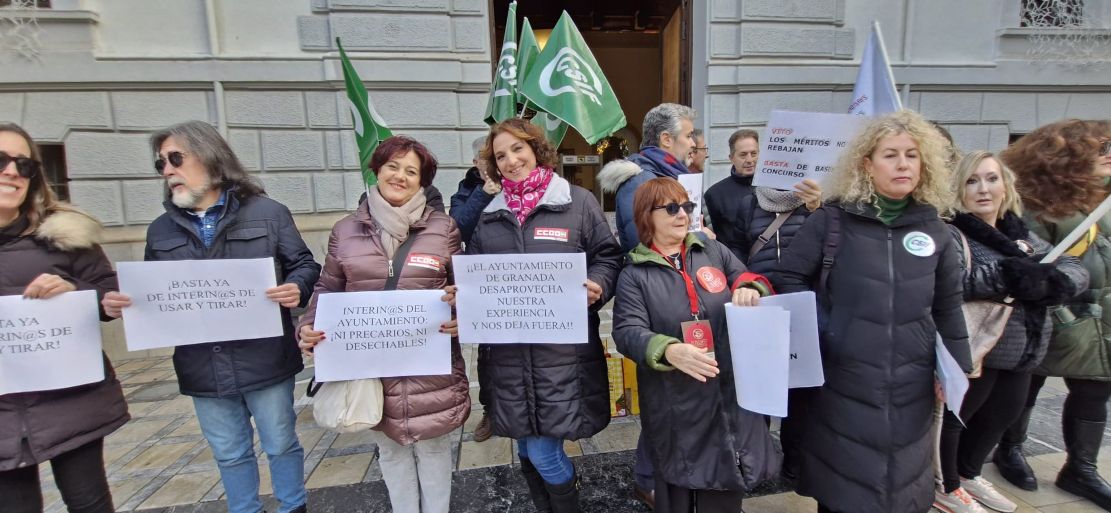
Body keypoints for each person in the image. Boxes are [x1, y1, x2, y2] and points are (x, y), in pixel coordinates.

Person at [101, 120, 320, 513]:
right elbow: (156, 294)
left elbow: (304, 264)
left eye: (175, 159)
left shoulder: (269, 213)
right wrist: (128, 305)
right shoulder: (160, 231)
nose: (167, 170)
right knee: (230, 452)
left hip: (265, 359)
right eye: (161, 164)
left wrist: (297, 287)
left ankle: (293, 507)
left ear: (211, 156)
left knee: (281, 442)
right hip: (201, 365)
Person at [769, 110, 972, 513]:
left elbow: (948, 304)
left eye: (912, 155)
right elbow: (787, 278)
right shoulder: (833, 220)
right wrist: (828, 331)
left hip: (912, 381)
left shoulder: (934, 230)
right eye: (891, 154)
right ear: (866, 164)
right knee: (844, 486)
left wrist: (955, 368)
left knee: (903, 485)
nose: (902, 164)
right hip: (843, 379)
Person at [297, 136, 469, 513]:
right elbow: (328, 287)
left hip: (430, 367)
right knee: (390, 452)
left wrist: (462, 313)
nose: (401, 176)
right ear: (376, 170)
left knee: (435, 451)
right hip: (371, 366)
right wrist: (308, 327)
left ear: (423, 181)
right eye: (393, 167)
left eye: (412, 171)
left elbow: (465, 287)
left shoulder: (443, 228)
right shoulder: (345, 230)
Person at [469, 118, 623, 512]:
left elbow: (607, 255)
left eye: (517, 149)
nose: (510, 160)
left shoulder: (577, 201)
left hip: (561, 356)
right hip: (507, 357)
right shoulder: (489, 214)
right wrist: (463, 294)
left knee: (542, 452)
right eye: (500, 155)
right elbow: (475, 271)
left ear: (537, 149)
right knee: (524, 446)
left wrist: (597, 284)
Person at [612, 177, 779, 513]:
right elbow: (627, 330)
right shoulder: (634, 274)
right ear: (647, 215)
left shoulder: (712, 250)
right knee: (679, 484)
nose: (682, 214)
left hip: (726, 391)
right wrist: (668, 349)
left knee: (723, 484)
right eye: (671, 208)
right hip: (675, 400)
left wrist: (750, 288)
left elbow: (747, 276)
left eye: (686, 206)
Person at [935, 151, 1087, 513]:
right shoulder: (953, 233)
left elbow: (1072, 267)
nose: (983, 189)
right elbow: (954, 283)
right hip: (978, 348)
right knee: (957, 420)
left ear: (1006, 184)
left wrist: (1054, 280)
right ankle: (946, 484)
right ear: (958, 188)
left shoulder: (1021, 233)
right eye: (972, 181)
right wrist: (1012, 274)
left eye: (991, 178)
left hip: (1023, 348)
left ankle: (969, 474)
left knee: (1002, 417)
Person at [0, 123, 129, 513]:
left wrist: (73, 291)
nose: (12, 172)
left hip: (72, 398)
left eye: (24, 165)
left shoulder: (66, 233)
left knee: (90, 504)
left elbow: (110, 294)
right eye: (1, 160)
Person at [996, 119, 1111, 510]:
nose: (1109, 156)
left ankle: (1081, 468)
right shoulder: (1036, 202)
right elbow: (1031, 255)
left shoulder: (1101, 199)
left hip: (1099, 317)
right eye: (1101, 150)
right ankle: (1010, 450)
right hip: (1056, 313)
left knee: (1094, 390)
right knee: (1027, 388)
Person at [599, 103, 698, 253]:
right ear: (666, 139)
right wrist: (701, 237)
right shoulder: (640, 181)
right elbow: (643, 245)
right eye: (689, 136)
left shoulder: (672, 175)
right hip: (654, 274)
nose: (693, 143)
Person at [704, 129, 760, 259]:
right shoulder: (715, 194)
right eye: (743, 154)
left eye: (754, 153)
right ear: (731, 158)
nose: (749, 160)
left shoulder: (774, 189)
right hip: (734, 269)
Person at [449, 135, 501, 246]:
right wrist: (483, 194)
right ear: (476, 162)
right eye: (485, 156)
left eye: (494, 155)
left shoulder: (514, 184)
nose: (491, 160)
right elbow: (459, 229)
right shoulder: (465, 191)